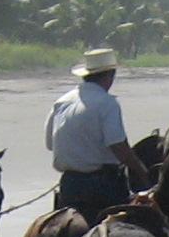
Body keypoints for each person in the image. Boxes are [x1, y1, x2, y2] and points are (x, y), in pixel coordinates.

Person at [46, 48, 148, 219]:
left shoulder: (61, 102)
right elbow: (117, 145)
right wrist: (141, 170)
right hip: (103, 187)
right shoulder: (107, 103)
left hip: (69, 185)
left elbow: (50, 144)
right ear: (110, 76)